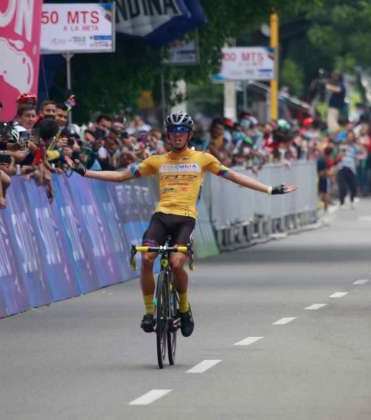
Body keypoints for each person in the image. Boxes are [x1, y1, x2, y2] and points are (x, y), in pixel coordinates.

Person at [68, 112, 296, 337]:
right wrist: (85, 172)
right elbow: (120, 176)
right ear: (168, 136)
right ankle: (149, 313)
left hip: (185, 218)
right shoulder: (157, 161)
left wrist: (269, 190)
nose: (177, 135)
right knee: (146, 258)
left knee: (177, 263)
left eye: (182, 131)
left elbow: (234, 176)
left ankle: (184, 309)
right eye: (173, 132)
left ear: (189, 135)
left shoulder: (203, 159)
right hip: (162, 216)